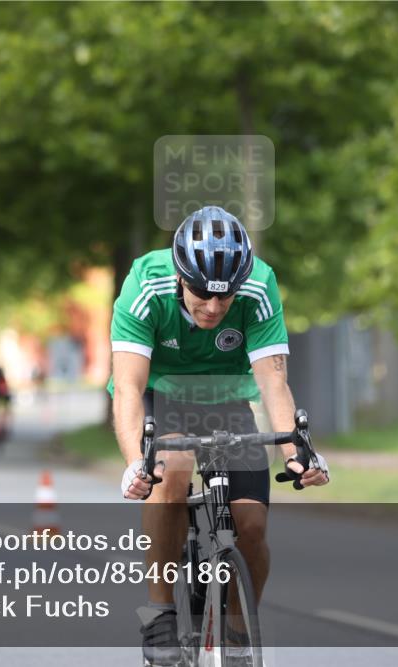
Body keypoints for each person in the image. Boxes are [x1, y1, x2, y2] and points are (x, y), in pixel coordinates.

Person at [109, 206, 330, 666]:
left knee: (251, 526)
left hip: (226, 400)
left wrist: (298, 452)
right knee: (171, 475)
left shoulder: (259, 285)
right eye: (200, 295)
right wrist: (137, 464)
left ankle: (236, 631)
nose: (212, 308)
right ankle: (160, 614)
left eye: (223, 298)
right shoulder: (144, 285)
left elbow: (273, 382)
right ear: (179, 276)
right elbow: (128, 387)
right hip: (159, 395)